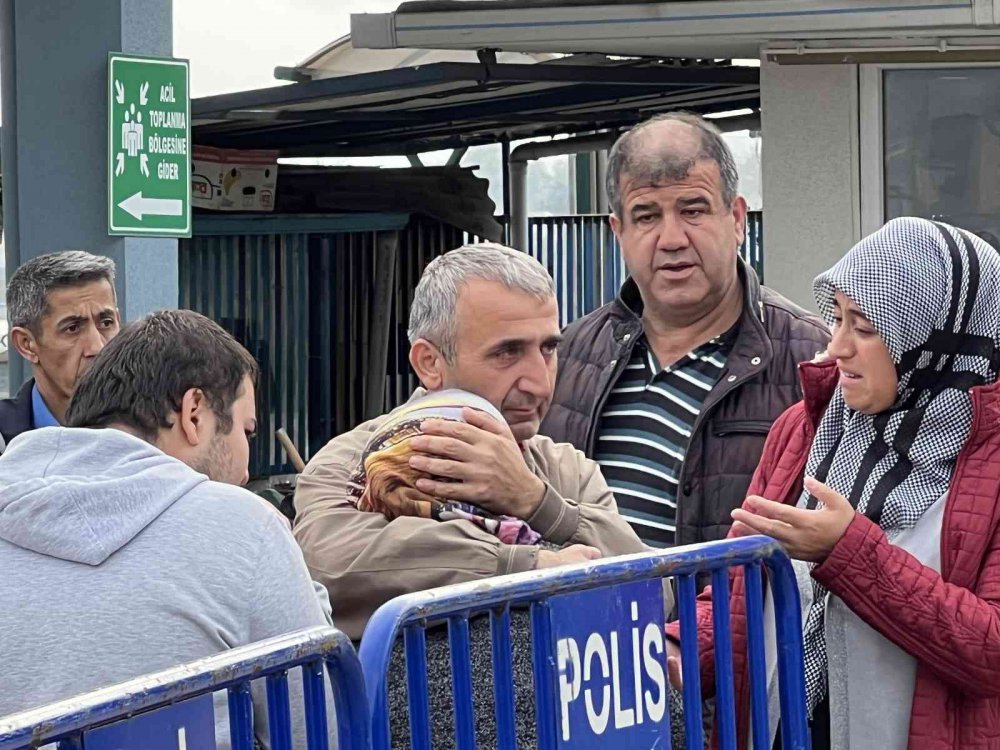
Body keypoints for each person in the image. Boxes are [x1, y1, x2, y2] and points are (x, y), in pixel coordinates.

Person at [667, 218, 1000, 749]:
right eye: (837, 318)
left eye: (865, 327)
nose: (837, 345)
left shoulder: (990, 459)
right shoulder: (806, 427)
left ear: (933, 339)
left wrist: (849, 552)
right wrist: (683, 647)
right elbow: (739, 585)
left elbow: (990, 652)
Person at [0, 309, 331, 747]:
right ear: (193, 413)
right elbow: (318, 728)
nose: (248, 464)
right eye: (246, 431)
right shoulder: (243, 528)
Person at [294, 241, 650, 642]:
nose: (540, 381)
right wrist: (522, 567)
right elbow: (330, 564)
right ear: (429, 362)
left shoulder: (567, 469)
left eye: (548, 348)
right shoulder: (351, 461)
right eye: (507, 352)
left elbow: (655, 592)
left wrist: (537, 502)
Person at [541, 113, 830, 548]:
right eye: (646, 216)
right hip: (587, 617)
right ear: (618, 232)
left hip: (738, 617)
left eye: (692, 210)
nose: (671, 238)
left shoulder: (813, 361)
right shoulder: (570, 355)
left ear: (736, 219)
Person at [0, 250, 120, 446]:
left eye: (106, 323)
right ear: (26, 344)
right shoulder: (5, 443)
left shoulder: (159, 433)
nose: (97, 347)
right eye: (72, 328)